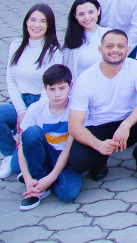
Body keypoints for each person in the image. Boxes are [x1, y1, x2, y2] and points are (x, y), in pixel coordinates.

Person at [68, 30, 137, 187]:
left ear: (128, 50)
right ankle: (100, 160)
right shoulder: (85, 79)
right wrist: (98, 145)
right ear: (100, 49)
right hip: (99, 126)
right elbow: (74, 126)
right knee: (79, 162)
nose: (115, 50)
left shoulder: (136, 67)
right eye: (109, 46)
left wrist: (126, 125)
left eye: (120, 46)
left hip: (127, 124)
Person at [5, 65, 82, 209]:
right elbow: (22, 144)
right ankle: (37, 184)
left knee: (68, 193)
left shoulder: (77, 107)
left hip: (65, 156)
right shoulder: (36, 108)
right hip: (41, 152)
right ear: (44, 89)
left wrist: (51, 178)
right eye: (52, 89)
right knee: (31, 134)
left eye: (62, 88)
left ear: (70, 86)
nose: (57, 94)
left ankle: (44, 180)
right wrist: (28, 179)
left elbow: (68, 147)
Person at [0, 4, 63, 172]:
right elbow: (11, 80)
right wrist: (21, 111)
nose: (37, 25)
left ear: (49, 25)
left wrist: (29, 115)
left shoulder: (53, 52)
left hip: (42, 103)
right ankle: (10, 154)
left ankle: (21, 157)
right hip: (20, 101)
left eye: (43, 21)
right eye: (33, 20)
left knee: (17, 167)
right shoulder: (15, 45)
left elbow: (49, 88)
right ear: (26, 22)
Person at [62, 0, 108, 78]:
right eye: (81, 14)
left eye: (91, 12)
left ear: (98, 11)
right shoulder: (70, 38)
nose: (87, 17)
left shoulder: (109, 34)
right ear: (75, 16)